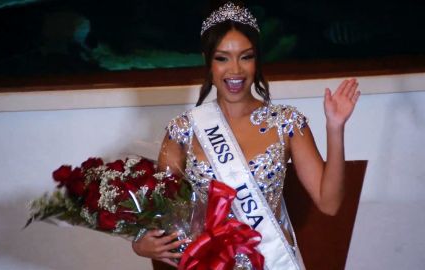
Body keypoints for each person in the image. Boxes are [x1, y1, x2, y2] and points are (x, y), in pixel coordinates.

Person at [132, 1, 360, 269]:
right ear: (208, 61)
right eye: (222, 58)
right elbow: (162, 212)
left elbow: (329, 203)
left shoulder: (286, 123)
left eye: (246, 56)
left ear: (257, 60)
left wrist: (335, 128)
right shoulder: (183, 130)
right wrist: (140, 242)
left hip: (271, 262)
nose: (235, 70)